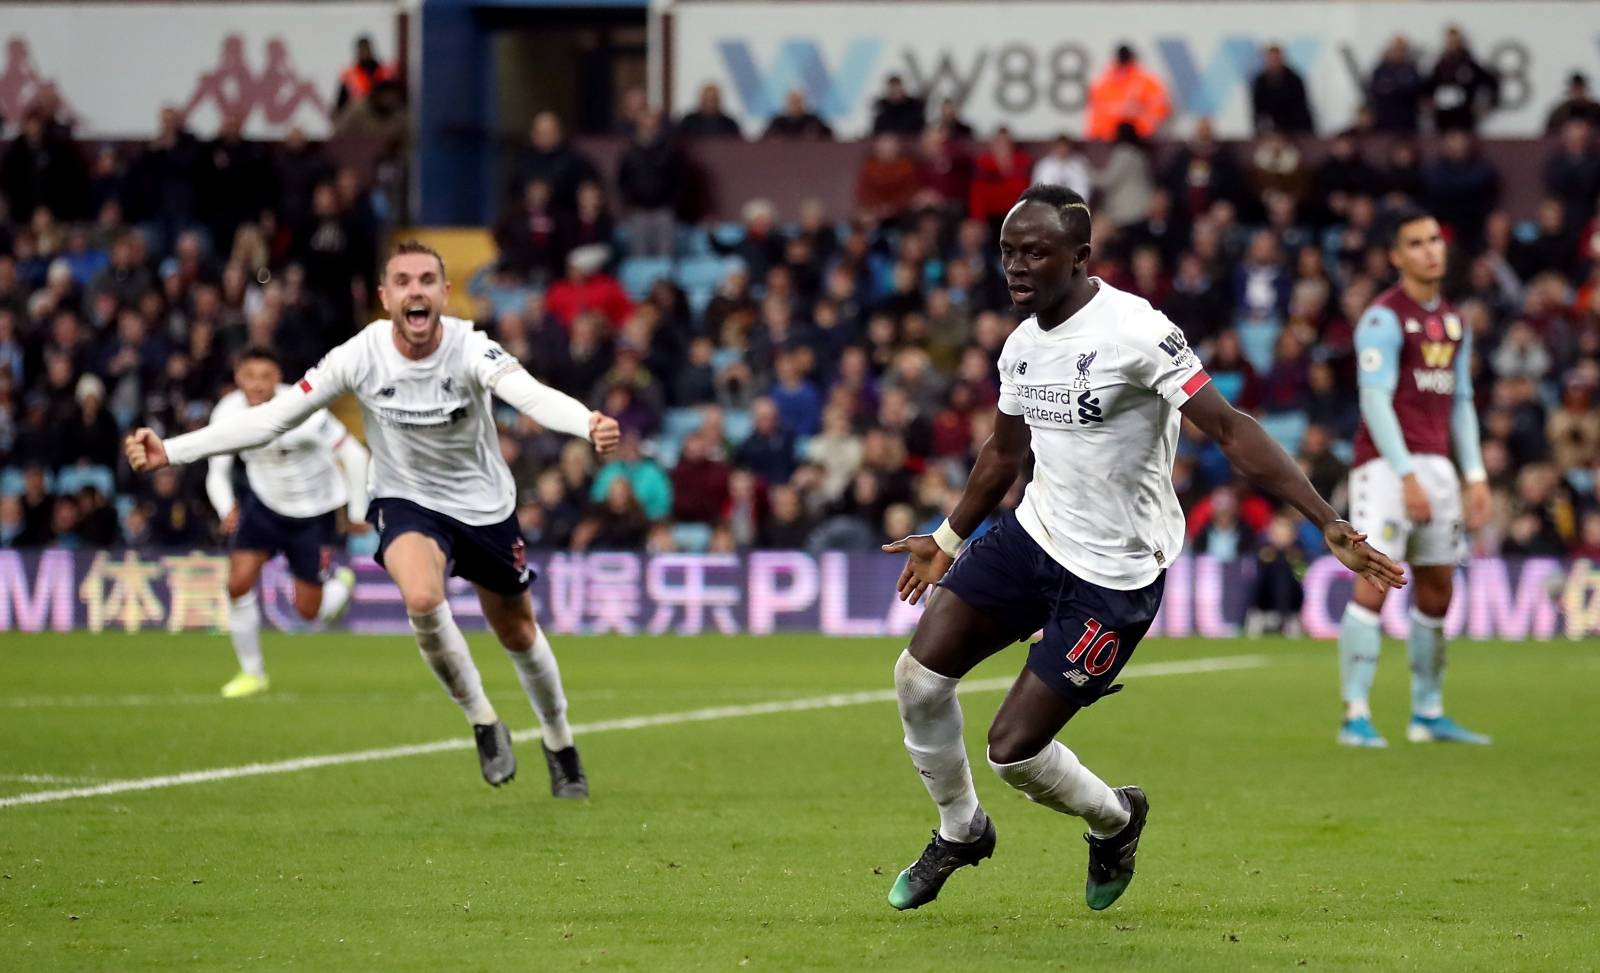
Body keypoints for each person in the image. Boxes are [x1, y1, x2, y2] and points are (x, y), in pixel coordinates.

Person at [880, 185, 1403, 913]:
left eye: (1035, 252)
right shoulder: (1022, 346)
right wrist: (945, 539)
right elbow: (1002, 456)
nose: (1017, 267)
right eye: (1007, 252)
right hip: (1034, 537)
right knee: (917, 678)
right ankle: (960, 829)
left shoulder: (1135, 330)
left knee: (1014, 752)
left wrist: (1325, 518)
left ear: (1080, 256)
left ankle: (1116, 819)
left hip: (1114, 577)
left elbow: (1228, 428)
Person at [125, 241, 622, 797]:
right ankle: (483, 719)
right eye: (403, 281)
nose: (416, 290)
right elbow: (271, 420)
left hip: (484, 506)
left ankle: (560, 742)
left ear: (444, 293)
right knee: (423, 599)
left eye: (427, 280)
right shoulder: (357, 356)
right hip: (405, 498)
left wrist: (586, 422)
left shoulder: (471, 348)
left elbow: (529, 395)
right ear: (385, 297)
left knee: (517, 630)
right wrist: (171, 449)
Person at [1337, 208, 1492, 749]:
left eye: (1435, 239)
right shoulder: (1382, 319)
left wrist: (1474, 475)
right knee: (1376, 580)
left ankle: (1427, 712)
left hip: (1438, 465)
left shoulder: (1454, 321)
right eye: (1416, 243)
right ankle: (1355, 714)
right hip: (1385, 466)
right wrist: (1404, 474)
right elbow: (1374, 400)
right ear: (1396, 256)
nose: (1431, 250)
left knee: (1437, 588)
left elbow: (1463, 402)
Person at [204, 347, 370, 698]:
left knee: (308, 612)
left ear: (277, 378)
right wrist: (225, 508)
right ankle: (253, 674)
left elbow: (354, 455)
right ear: (239, 378)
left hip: (314, 512)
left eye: (265, 377)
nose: (257, 384)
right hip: (264, 506)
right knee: (237, 584)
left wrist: (357, 513)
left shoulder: (304, 408)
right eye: (250, 376)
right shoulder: (228, 412)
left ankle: (339, 587)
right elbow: (215, 471)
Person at [1085, 44, 1170, 141]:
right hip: (1110, 140)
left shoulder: (1147, 82)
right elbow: (1096, 115)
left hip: (1141, 140)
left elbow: (1161, 110)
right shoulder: (1103, 84)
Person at [1250, 44, 1314, 135]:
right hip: (1270, 130)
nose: (1273, 63)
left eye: (1276, 59)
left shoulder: (1294, 80)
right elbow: (1258, 110)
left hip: (1294, 128)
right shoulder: (1260, 81)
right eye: (1271, 60)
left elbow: (1301, 109)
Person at [677, 83, 743, 139]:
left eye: (713, 99)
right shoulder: (689, 122)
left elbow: (736, 145)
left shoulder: (729, 124)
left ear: (718, 100)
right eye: (707, 99)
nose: (710, 103)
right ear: (701, 100)